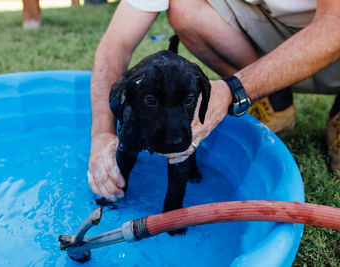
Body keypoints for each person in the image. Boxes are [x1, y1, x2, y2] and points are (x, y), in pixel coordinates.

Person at [87, 0, 340, 201]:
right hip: (279, 30)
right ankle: (274, 95)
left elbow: (335, 25)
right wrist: (101, 133)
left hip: (333, 36)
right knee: (185, 6)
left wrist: (233, 89)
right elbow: (116, 44)